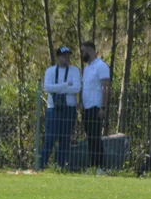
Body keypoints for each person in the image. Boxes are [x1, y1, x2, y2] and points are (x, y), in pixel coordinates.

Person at [39, 45, 81, 169]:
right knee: (50, 138)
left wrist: (58, 88)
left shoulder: (74, 71)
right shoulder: (50, 71)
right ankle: (41, 165)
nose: (66, 58)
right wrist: (65, 85)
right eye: (64, 56)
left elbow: (77, 88)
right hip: (53, 109)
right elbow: (47, 88)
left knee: (65, 138)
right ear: (58, 57)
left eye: (68, 56)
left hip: (69, 108)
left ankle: (61, 166)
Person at [79, 41, 111, 171]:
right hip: (86, 108)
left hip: (96, 107)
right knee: (90, 138)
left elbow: (106, 87)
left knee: (96, 138)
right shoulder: (86, 68)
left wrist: (103, 107)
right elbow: (84, 87)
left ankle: (101, 167)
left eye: (83, 51)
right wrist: (81, 102)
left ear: (90, 50)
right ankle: (93, 166)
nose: (82, 54)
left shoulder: (101, 66)